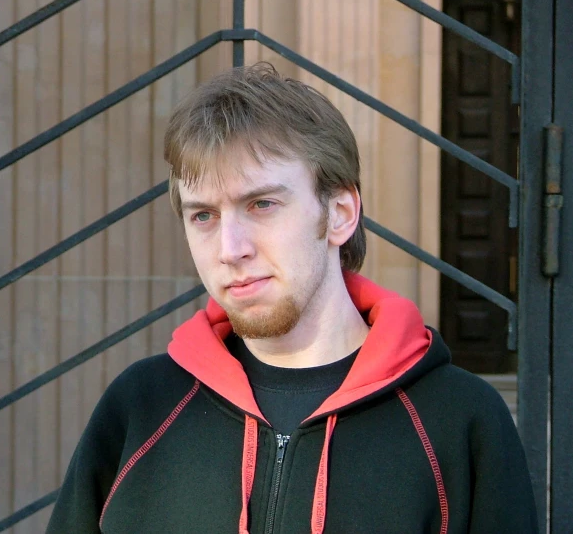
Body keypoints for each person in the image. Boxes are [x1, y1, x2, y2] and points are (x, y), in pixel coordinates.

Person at [46, 63, 537, 534]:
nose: (230, 249)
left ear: (340, 214)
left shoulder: (461, 422)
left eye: (261, 204)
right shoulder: (140, 408)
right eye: (203, 216)